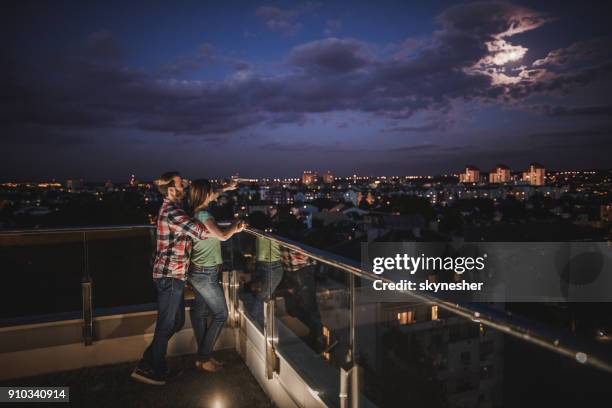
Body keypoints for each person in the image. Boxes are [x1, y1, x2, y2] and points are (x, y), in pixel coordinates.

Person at [131, 171, 211, 385]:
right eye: (180, 184)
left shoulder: (174, 210)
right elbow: (201, 232)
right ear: (170, 189)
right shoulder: (173, 212)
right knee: (167, 324)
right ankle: (155, 370)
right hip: (170, 276)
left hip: (172, 275)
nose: (184, 186)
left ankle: (147, 362)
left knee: (176, 322)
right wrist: (215, 224)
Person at [188, 179, 244, 372]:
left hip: (199, 270)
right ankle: (203, 358)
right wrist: (237, 224)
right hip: (206, 273)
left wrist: (227, 187)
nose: (214, 194)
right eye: (211, 192)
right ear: (205, 195)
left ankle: (204, 357)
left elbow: (216, 193)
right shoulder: (204, 215)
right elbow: (222, 235)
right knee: (221, 314)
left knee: (200, 312)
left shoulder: (196, 212)